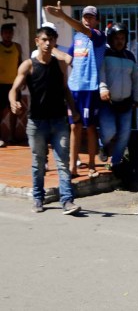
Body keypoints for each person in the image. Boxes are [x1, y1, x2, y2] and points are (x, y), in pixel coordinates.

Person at [8, 26, 82, 214]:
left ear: (55, 41)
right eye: (44, 40)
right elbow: (14, 89)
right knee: (39, 162)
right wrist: (13, 102)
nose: (48, 43)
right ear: (37, 42)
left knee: (63, 162)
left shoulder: (60, 64)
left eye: (51, 39)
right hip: (37, 122)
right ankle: (38, 198)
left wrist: (74, 110)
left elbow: (66, 89)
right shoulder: (28, 65)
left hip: (59, 121)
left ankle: (67, 201)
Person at [44, 3, 107, 177]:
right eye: (85, 16)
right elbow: (68, 58)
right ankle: (72, 166)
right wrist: (49, 46)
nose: (87, 20)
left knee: (91, 128)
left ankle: (93, 165)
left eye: (91, 17)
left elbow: (84, 30)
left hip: (90, 88)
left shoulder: (99, 36)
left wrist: (63, 16)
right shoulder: (77, 38)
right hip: (74, 89)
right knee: (74, 127)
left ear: (97, 21)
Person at [98, 23, 138, 174]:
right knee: (109, 132)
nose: (120, 41)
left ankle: (116, 163)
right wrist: (102, 88)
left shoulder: (130, 56)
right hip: (108, 102)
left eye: (122, 38)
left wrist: (136, 98)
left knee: (124, 135)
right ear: (111, 38)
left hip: (126, 103)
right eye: (117, 38)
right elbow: (101, 73)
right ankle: (102, 144)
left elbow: (135, 79)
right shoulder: (105, 54)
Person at [0, 23, 23, 147]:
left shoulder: (17, 47)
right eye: (6, 33)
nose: (8, 35)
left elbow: (20, 64)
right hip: (0, 84)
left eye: (10, 33)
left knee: (14, 111)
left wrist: (22, 80)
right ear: (1, 34)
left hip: (14, 85)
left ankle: (12, 136)